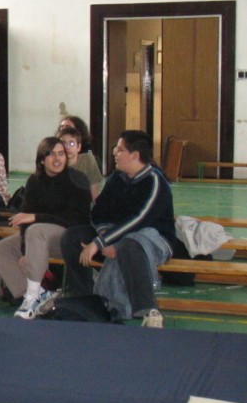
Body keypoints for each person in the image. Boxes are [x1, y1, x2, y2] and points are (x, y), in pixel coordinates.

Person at [60, 130, 176, 328]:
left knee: (130, 245)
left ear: (135, 155)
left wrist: (100, 243)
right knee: (72, 237)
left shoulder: (155, 181)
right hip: (115, 235)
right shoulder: (117, 178)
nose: (114, 152)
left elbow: (139, 220)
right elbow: (98, 212)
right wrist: (105, 236)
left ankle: (148, 310)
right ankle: (85, 299)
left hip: (151, 238)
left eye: (120, 149)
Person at [0, 137, 92, 320]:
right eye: (51, 154)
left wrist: (37, 217)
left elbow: (77, 219)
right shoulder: (34, 181)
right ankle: (41, 294)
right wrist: (25, 251)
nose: (57, 159)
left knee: (36, 230)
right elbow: (25, 220)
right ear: (42, 160)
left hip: (68, 238)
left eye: (61, 154)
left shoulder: (77, 179)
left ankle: (31, 297)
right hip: (37, 238)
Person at [57, 125, 103, 200]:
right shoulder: (55, 163)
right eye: (63, 144)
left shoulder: (88, 160)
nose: (67, 147)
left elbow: (95, 190)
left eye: (72, 143)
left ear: (78, 147)